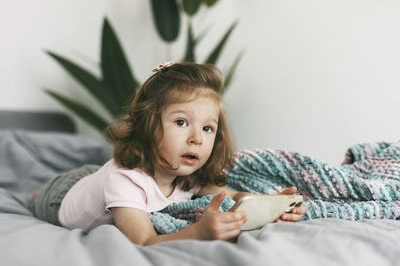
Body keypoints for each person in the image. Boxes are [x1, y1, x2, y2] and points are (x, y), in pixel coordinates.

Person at [30, 62, 306, 246]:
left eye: (208, 128)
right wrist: (198, 232)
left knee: (99, 175)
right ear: (149, 125)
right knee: (44, 195)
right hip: (62, 197)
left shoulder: (189, 172)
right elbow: (144, 241)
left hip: (100, 179)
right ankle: (37, 193)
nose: (197, 138)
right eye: (181, 123)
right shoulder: (125, 182)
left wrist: (274, 205)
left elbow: (233, 196)